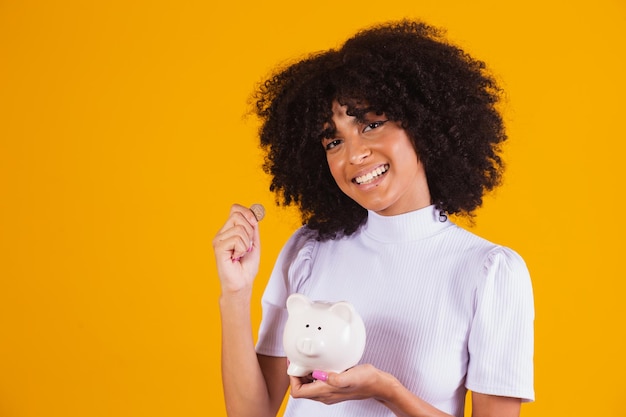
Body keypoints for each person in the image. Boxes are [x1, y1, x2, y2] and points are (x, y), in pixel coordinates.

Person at [213, 20, 534, 417]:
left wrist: (388, 392)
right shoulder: (308, 249)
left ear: (422, 123)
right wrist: (235, 295)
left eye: (371, 124)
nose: (354, 155)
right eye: (334, 141)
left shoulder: (489, 271)